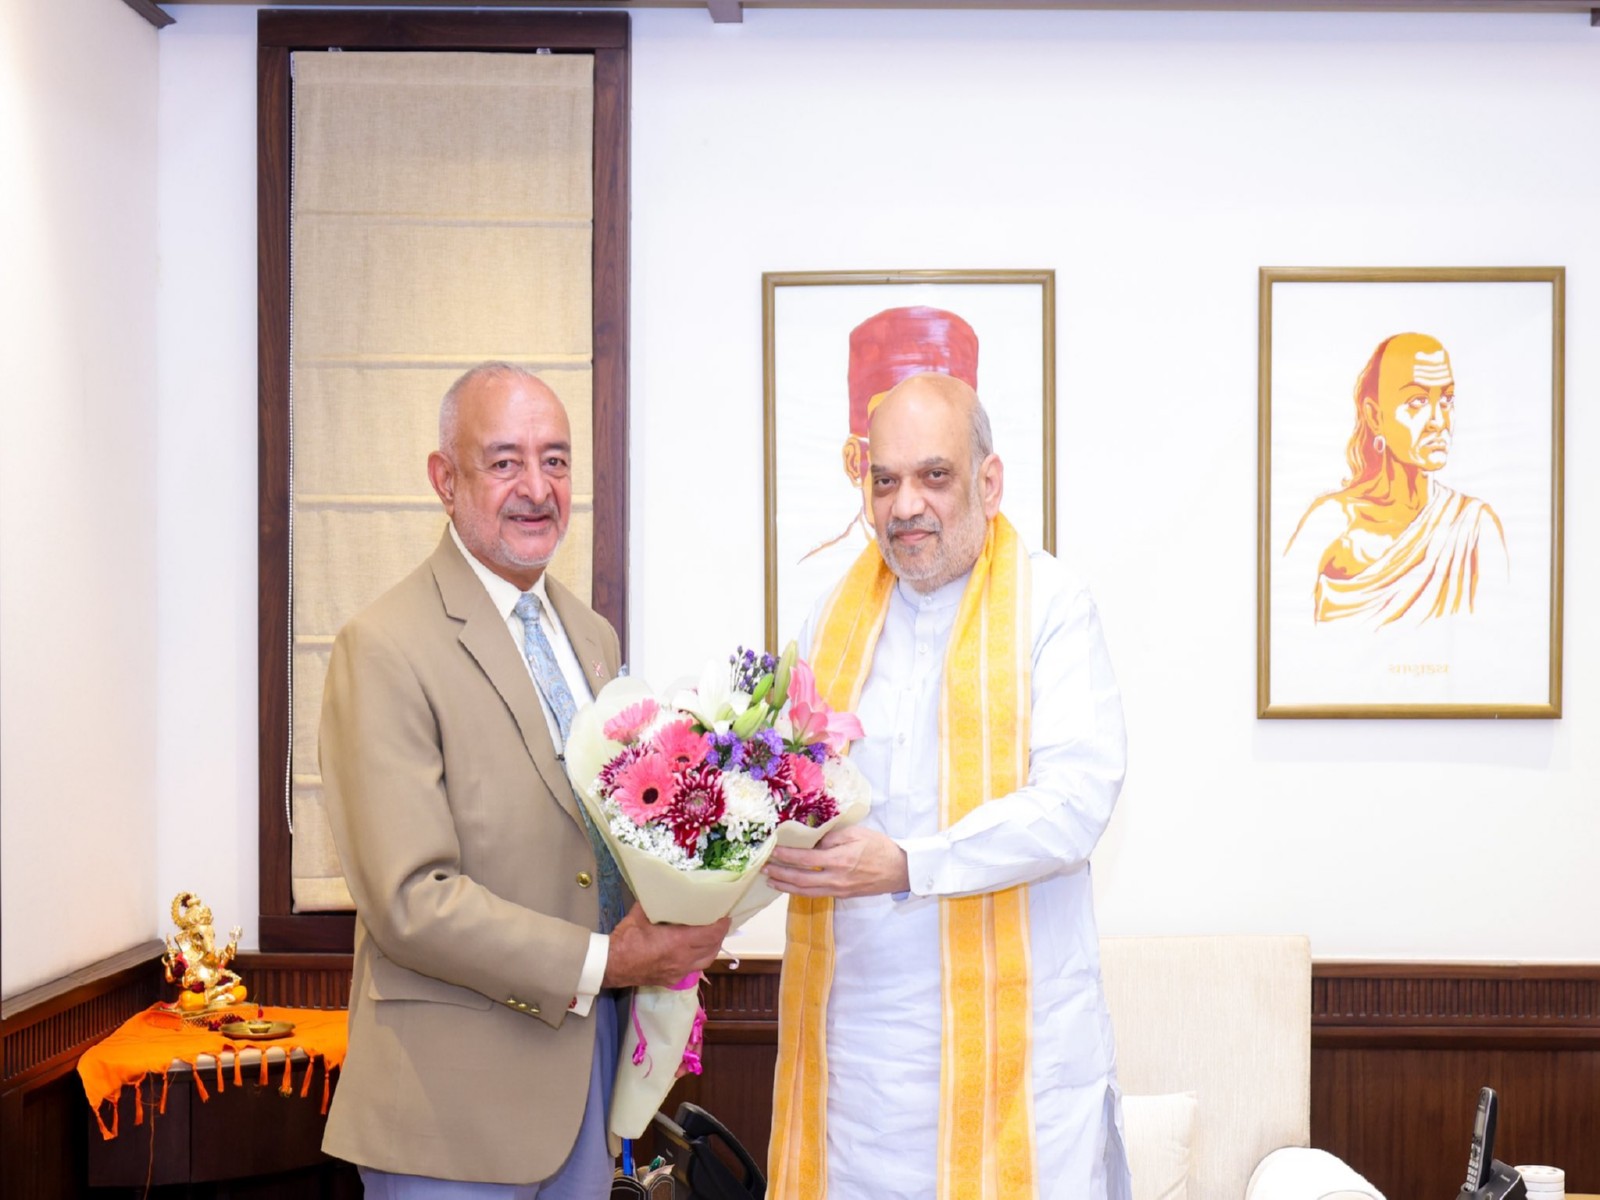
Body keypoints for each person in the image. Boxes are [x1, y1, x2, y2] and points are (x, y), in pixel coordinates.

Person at [318, 362, 729, 1198]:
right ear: (445, 478)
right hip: (449, 1115)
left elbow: (602, 848)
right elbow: (410, 901)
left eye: (556, 459)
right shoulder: (385, 645)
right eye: (504, 461)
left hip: (585, 1083)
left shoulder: (591, 635)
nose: (536, 488)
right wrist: (607, 961)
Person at [764, 372, 1131, 1200]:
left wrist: (908, 865)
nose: (905, 507)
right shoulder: (833, 617)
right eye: (884, 481)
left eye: (934, 476)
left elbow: (1075, 804)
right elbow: (794, 794)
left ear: (988, 481)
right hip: (859, 1074)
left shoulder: (1052, 606)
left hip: (1020, 1066)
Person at [1284, 332, 1508, 626]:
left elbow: (1503, 643)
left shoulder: (1475, 526)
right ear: (1375, 417)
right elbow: (1284, 636)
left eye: (1448, 399)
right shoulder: (1331, 522)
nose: (1438, 421)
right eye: (1417, 401)